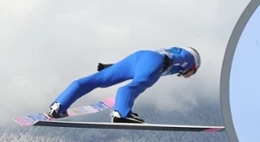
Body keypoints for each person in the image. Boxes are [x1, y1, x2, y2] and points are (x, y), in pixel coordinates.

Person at [47, 46, 201, 124]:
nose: (189, 76)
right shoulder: (191, 59)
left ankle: (58, 106)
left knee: (97, 79)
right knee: (137, 84)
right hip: (156, 60)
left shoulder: (179, 65)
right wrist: (169, 59)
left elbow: (143, 63)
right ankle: (121, 113)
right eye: (193, 73)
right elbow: (179, 55)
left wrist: (113, 67)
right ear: (193, 68)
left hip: (139, 58)